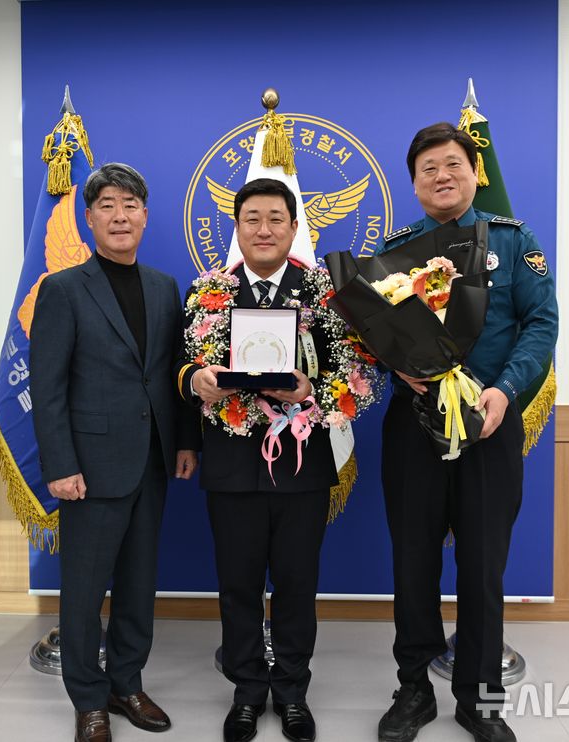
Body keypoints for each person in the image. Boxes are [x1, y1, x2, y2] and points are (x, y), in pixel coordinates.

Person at [375, 123, 558, 742]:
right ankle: (413, 690)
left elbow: (541, 323)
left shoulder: (512, 240)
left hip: (489, 422)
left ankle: (479, 698)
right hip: (413, 426)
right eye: (427, 168)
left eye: (452, 164)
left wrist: (506, 390)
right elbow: (371, 332)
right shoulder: (395, 253)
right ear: (415, 182)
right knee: (412, 561)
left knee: (483, 566)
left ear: (475, 171)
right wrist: (390, 359)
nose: (440, 176)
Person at [31, 163, 201, 742]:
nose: (120, 215)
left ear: (146, 217)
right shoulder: (62, 290)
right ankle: (88, 699)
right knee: (83, 589)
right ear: (90, 218)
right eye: (107, 205)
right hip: (89, 467)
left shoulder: (162, 286)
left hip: (151, 460)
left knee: (137, 583)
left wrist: (183, 440)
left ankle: (126, 682)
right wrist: (59, 466)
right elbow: (47, 387)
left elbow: (168, 374)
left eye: (130, 204)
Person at [178, 178, 338, 742]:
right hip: (230, 466)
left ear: (295, 228)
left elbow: (354, 375)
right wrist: (197, 381)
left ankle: (292, 691)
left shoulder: (322, 290)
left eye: (276, 218)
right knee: (238, 586)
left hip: (301, 464)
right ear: (237, 227)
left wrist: (311, 390)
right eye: (252, 218)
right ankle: (247, 691)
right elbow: (182, 367)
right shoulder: (207, 291)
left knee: (297, 585)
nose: (263, 229)